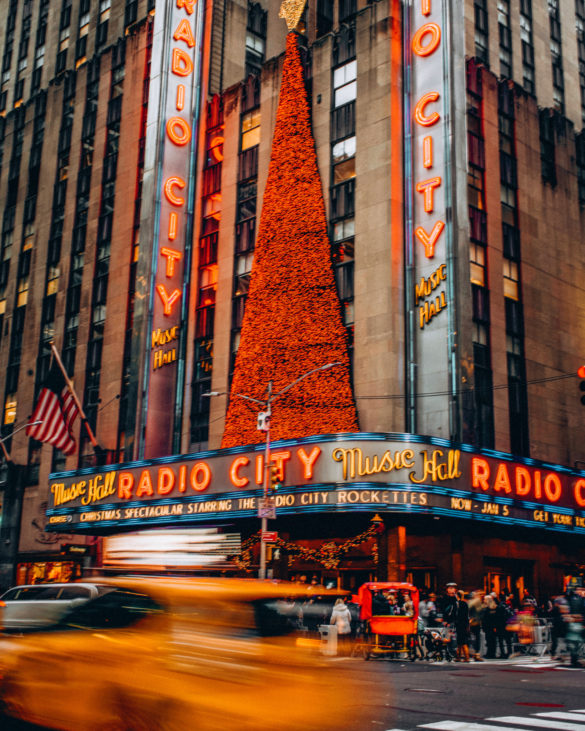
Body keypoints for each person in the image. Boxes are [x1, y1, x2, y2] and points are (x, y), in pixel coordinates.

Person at [467, 591, 484, 661]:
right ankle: (475, 654)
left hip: (472, 623)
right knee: (476, 639)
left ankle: (472, 653)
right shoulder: (476, 601)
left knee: (472, 639)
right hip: (475, 623)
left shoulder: (471, 602)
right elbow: (480, 611)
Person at [455, 590, 471, 661]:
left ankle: (466, 657)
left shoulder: (457, 604)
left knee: (461, 641)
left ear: (457, 596)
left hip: (459, 624)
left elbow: (455, 614)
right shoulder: (465, 603)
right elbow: (467, 615)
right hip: (465, 624)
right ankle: (460, 657)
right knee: (462, 641)